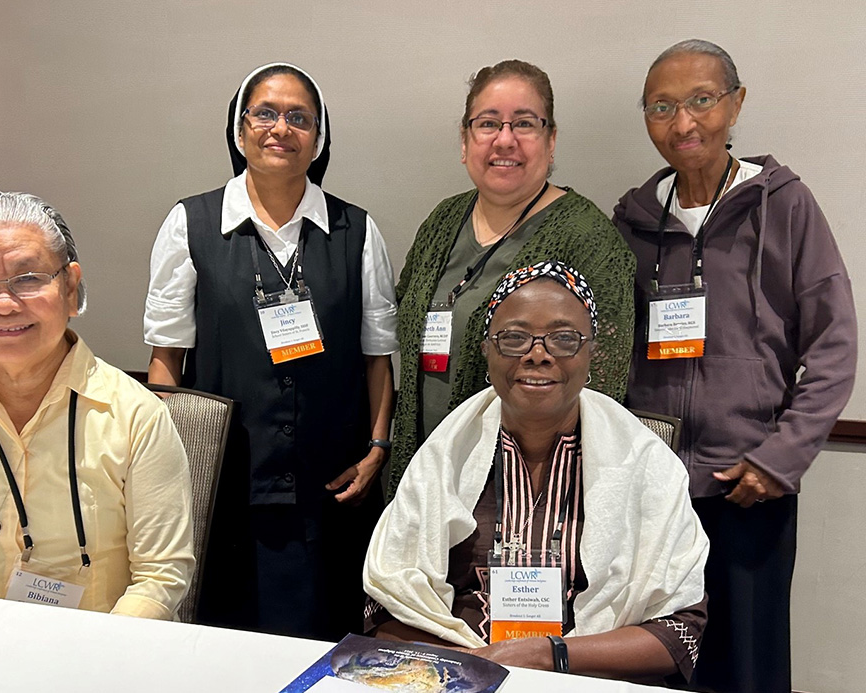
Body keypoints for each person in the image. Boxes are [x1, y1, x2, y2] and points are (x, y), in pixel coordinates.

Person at [613, 39, 857, 693]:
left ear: (736, 103)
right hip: (654, 495)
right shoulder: (631, 221)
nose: (683, 123)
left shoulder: (785, 205)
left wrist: (778, 459)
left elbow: (834, 347)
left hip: (750, 488)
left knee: (746, 666)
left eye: (701, 100)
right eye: (662, 106)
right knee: (657, 662)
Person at [144, 63, 397, 640]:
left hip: (332, 483)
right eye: (265, 113)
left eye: (299, 118)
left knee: (328, 635)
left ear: (319, 137)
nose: (280, 128)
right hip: (230, 483)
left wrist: (377, 449)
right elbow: (167, 359)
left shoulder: (356, 230)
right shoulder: (191, 224)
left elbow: (377, 357)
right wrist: (179, 470)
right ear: (240, 130)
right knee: (232, 638)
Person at [365, 261, 709, 684]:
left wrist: (552, 657)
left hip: (587, 678)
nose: (538, 354)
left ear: (592, 352)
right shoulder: (444, 458)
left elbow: (679, 633)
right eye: (513, 337)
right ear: (486, 349)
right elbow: (384, 609)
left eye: (564, 338)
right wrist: (472, 668)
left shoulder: (645, 464)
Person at [0, 192, 194, 620]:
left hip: (105, 657)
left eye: (28, 277)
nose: (4, 303)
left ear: (69, 287)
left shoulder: (137, 415)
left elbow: (159, 577)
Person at [389, 60, 636, 496]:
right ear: (465, 141)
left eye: (524, 123)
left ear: (551, 140)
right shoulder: (442, 221)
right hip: (424, 473)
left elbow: (604, 389)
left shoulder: (589, 240)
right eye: (487, 124)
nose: (505, 139)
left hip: (522, 489)